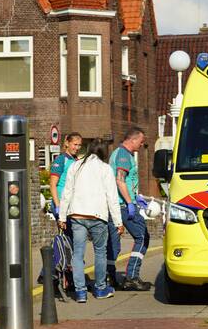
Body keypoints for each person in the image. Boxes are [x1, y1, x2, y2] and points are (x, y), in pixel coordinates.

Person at [58, 139, 124, 302]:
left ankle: (80, 292)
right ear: (103, 152)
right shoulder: (105, 169)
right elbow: (112, 197)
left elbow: (67, 192)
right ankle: (100, 288)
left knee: (78, 253)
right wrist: (118, 222)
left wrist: (62, 216)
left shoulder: (76, 166)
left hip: (77, 215)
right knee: (100, 252)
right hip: (97, 216)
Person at [107, 127, 151, 291]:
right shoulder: (124, 155)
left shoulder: (117, 153)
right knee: (142, 237)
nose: (141, 144)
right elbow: (120, 180)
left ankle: (109, 277)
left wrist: (136, 196)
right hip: (123, 206)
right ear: (133, 140)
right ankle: (132, 276)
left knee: (113, 243)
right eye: (141, 141)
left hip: (115, 205)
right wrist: (130, 202)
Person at [43, 132, 82, 289]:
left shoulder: (74, 160)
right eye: (74, 144)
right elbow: (53, 184)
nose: (77, 148)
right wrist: (58, 206)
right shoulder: (61, 160)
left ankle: (62, 275)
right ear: (66, 143)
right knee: (65, 241)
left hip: (71, 206)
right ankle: (52, 275)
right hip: (62, 206)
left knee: (70, 240)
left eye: (79, 145)